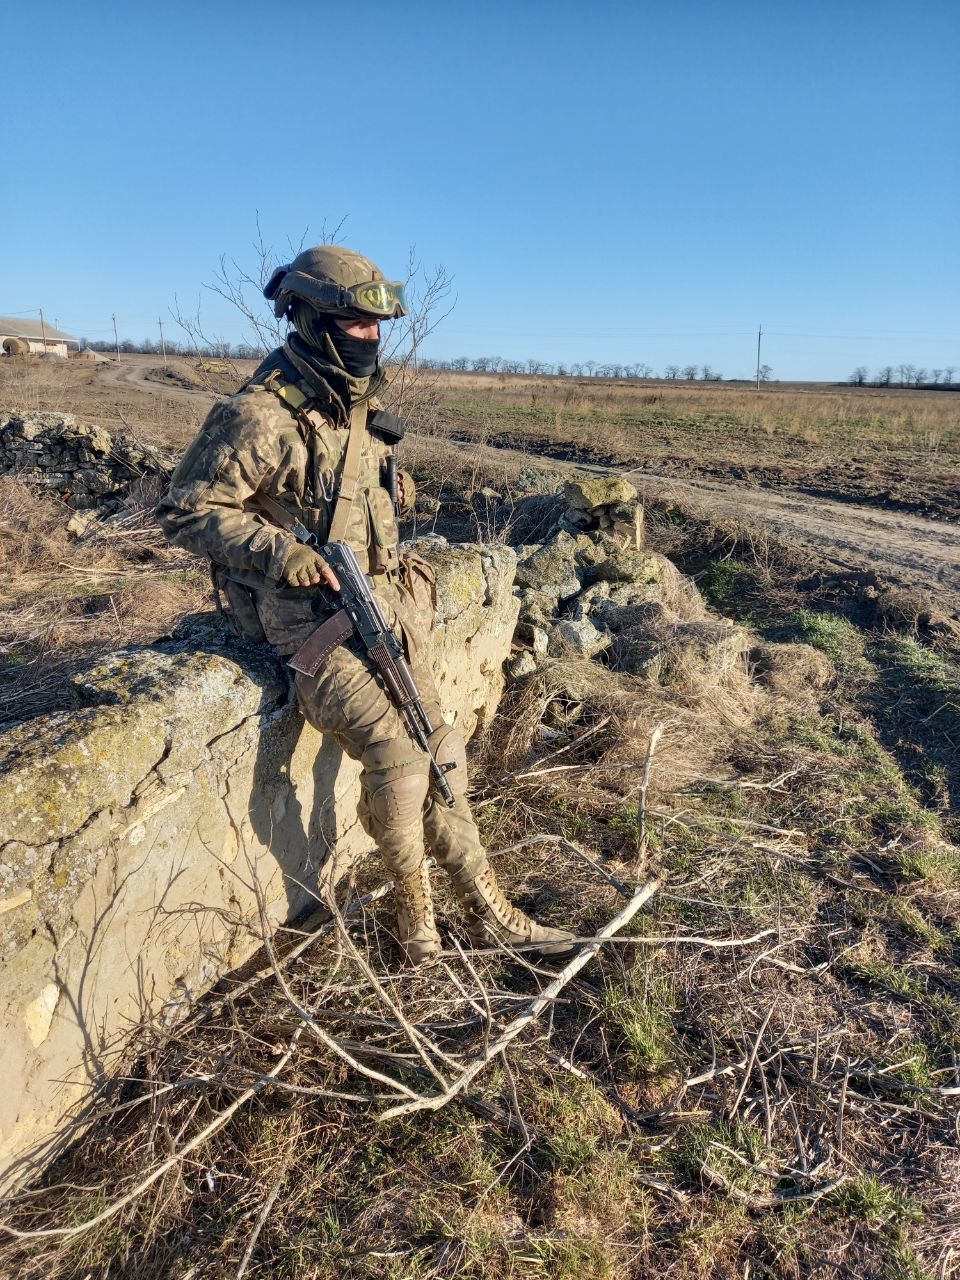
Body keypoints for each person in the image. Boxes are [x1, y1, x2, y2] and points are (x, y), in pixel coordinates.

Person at [157, 245, 573, 966]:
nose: (369, 338)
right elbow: (187, 511)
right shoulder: (258, 415)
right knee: (399, 761)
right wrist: (279, 552)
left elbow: (349, 500)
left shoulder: (355, 409)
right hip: (301, 621)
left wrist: (390, 496)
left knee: (443, 755)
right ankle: (419, 930)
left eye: (377, 326)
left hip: (379, 611)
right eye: (354, 324)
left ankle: (490, 910)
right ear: (313, 320)